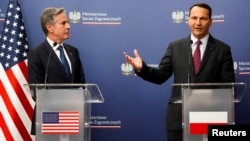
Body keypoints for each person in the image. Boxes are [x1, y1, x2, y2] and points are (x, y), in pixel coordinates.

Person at [123, 3, 235, 141]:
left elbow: (228, 86)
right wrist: (141, 68)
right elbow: (161, 76)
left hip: (210, 118)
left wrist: (206, 92)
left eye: (203, 18)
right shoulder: (175, 47)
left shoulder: (223, 50)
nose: (198, 23)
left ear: (211, 22)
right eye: (194, 18)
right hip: (179, 120)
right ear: (188, 20)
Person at [28, 7, 86, 135]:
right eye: (63, 23)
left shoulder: (73, 52)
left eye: (68, 22)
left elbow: (81, 84)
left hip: (73, 118)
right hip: (50, 118)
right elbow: (36, 92)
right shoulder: (36, 54)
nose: (69, 26)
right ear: (50, 27)